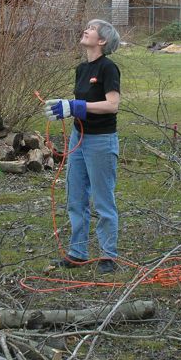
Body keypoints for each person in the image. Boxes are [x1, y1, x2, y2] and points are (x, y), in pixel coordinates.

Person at [44, 19, 121, 274]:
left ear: (102, 41)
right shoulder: (81, 69)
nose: (86, 29)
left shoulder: (109, 68)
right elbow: (80, 104)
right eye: (86, 26)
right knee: (75, 197)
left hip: (101, 141)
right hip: (78, 138)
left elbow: (112, 105)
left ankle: (108, 256)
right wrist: (66, 109)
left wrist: (78, 106)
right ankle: (77, 253)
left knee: (102, 199)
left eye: (92, 29)